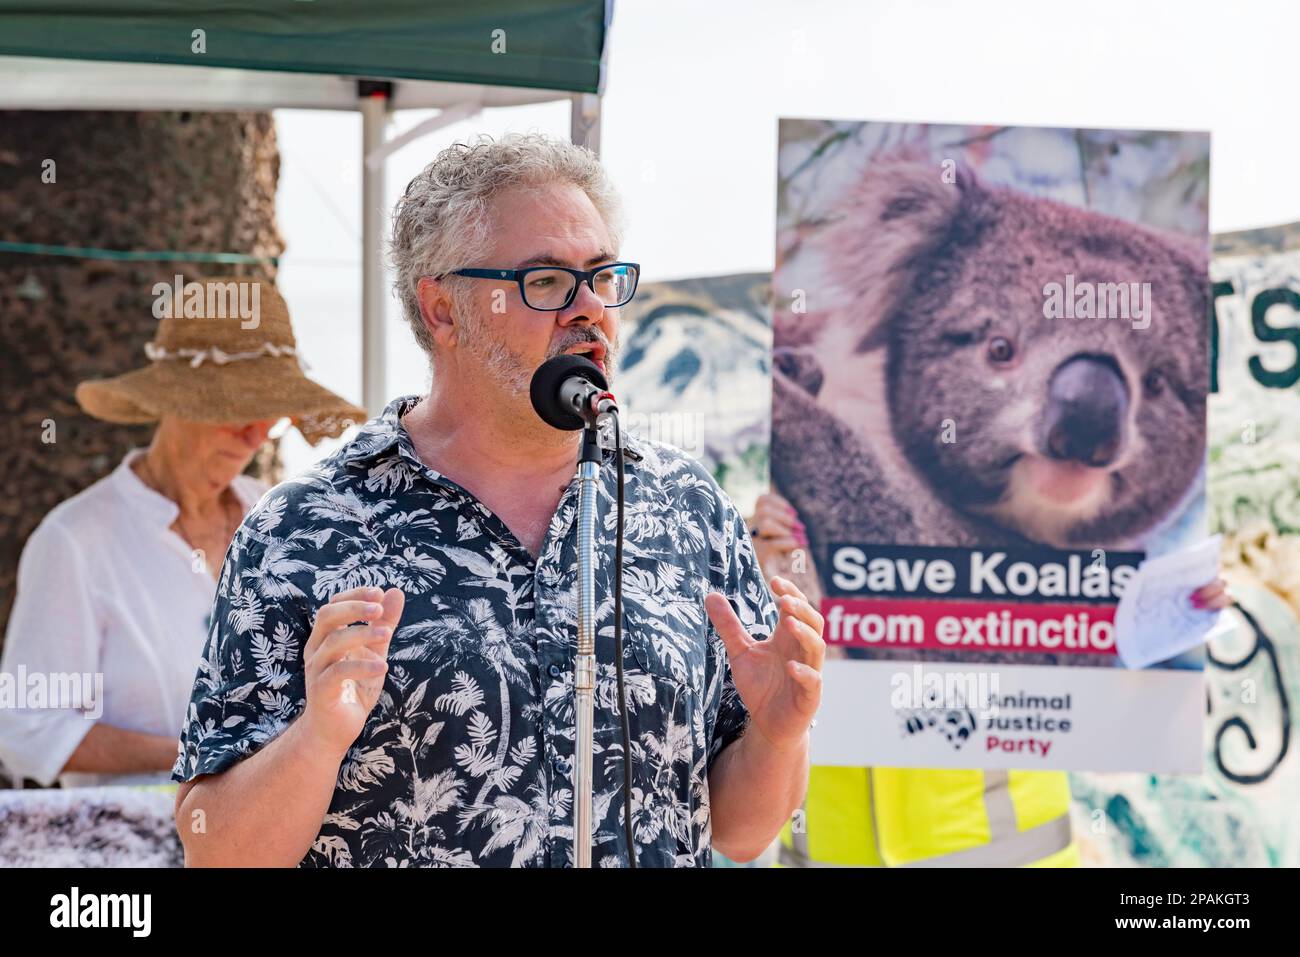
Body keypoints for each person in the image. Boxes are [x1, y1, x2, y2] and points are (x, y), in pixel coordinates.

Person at [172, 134, 826, 868]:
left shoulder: (690, 512)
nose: (588, 309)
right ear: (443, 309)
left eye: (602, 275)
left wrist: (777, 736)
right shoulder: (305, 530)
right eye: (545, 281)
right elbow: (215, 849)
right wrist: (316, 739)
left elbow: (738, 831)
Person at [0, 278, 364, 788]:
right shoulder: (76, 541)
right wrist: (203, 753)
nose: (255, 434)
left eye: (270, 416)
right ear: (177, 402)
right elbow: (27, 729)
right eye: (238, 409)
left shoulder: (278, 517)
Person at [746, 489, 1232, 867]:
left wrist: (1171, 627)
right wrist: (755, 574)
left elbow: (1112, 729)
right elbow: (745, 721)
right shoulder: (780, 540)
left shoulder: (1030, 537)